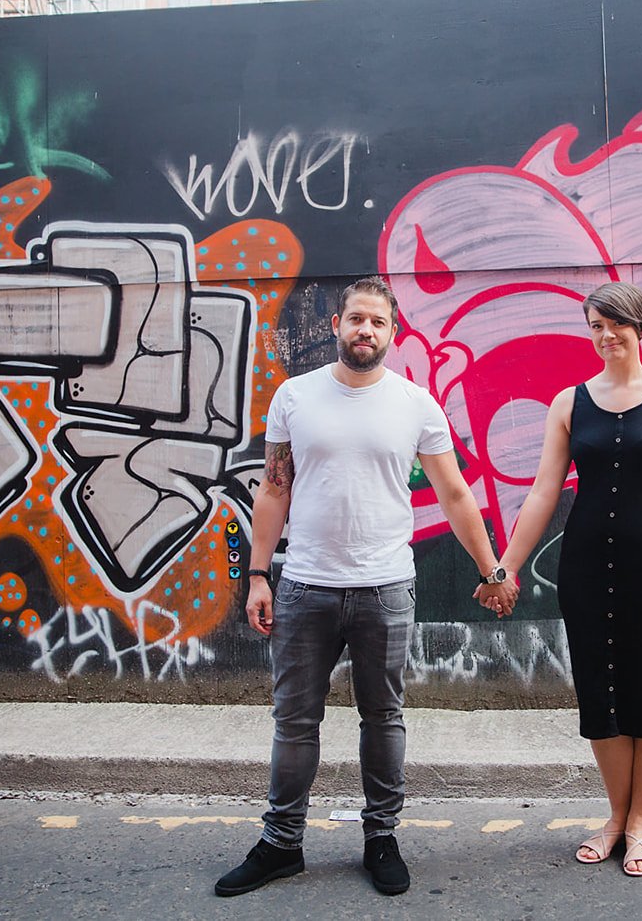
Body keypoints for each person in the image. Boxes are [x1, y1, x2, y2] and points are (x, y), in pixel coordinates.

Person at [215, 275, 504, 898]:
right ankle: (280, 844)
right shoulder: (294, 397)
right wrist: (259, 575)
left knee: (383, 719)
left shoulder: (416, 403)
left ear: (392, 333)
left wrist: (492, 569)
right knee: (294, 720)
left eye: (377, 322)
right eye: (355, 319)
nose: (364, 330)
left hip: (385, 588)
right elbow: (274, 488)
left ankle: (381, 838)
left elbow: (454, 493)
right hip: (306, 585)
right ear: (336, 326)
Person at [477, 281, 642, 877]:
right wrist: (504, 565)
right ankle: (615, 817)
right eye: (596, 327)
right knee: (600, 693)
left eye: (617, 326)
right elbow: (541, 493)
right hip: (585, 570)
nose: (607, 337)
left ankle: (641, 824)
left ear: (640, 327)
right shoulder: (569, 402)